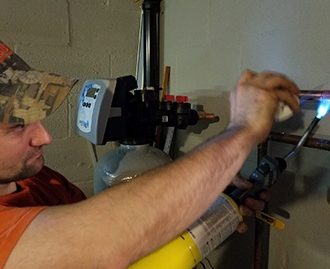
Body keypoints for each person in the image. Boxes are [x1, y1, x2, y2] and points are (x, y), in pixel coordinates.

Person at [0, 41, 300, 269]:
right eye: (16, 126)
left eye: (38, 116)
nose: (45, 137)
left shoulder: (42, 179)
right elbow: (108, 241)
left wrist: (206, 196)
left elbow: (126, 227)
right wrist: (241, 131)